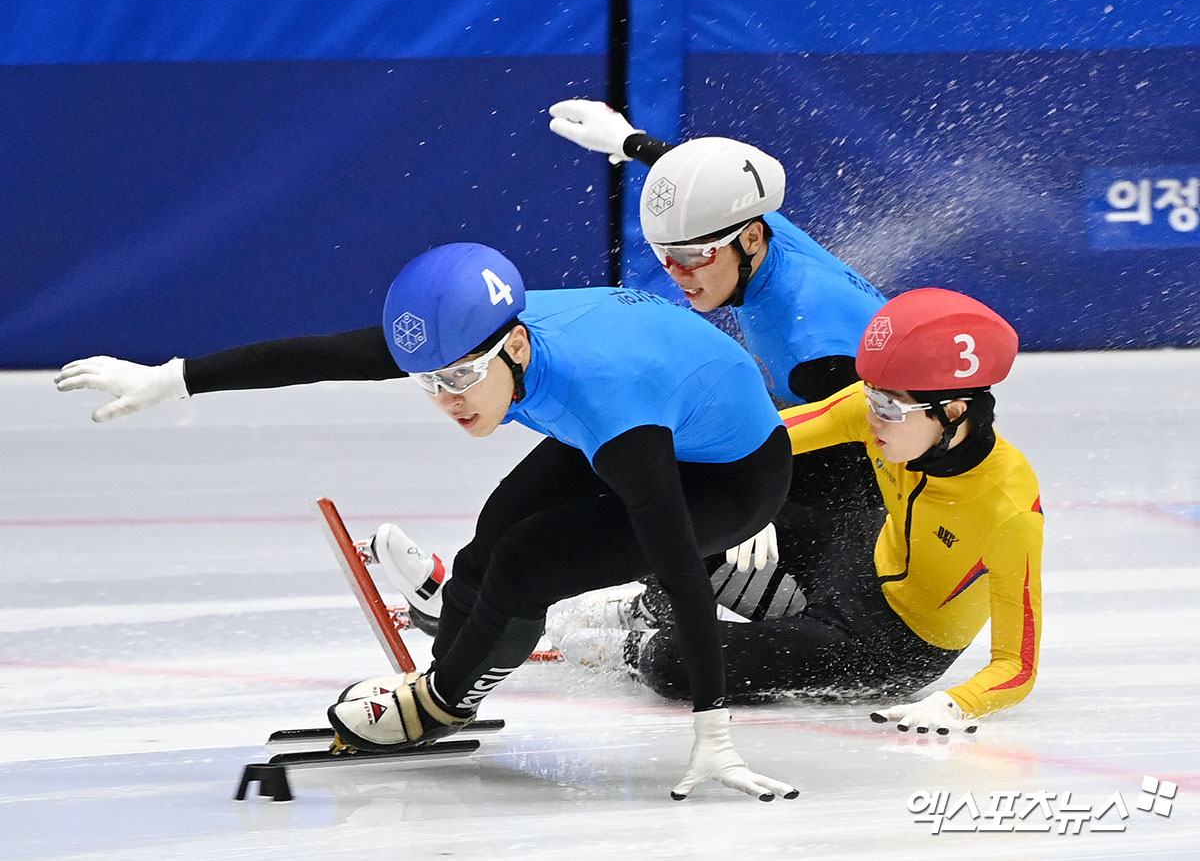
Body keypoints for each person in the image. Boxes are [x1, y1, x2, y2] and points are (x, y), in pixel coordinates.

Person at [55, 242, 799, 801]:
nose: (448, 399)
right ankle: (466, 650)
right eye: (430, 383)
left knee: (528, 560)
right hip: (664, 410)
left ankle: (441, 701)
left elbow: (675, 566)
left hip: (729, 476)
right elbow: (320, 356)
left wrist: (713, 728)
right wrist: (173, 378)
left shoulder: (609, 409)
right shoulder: (469, 333)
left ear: (512, 343)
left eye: (461, 381)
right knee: (495, 534)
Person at [551, 287, 1044, 736]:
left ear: (954, 412)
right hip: (857, 552)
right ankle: (649, 607)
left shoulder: (1008, 511)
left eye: (888, 409)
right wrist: (747, 498)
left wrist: (957, 704)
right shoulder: (881, 408)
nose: (871, 416)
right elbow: (756, 436)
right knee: (707, 519)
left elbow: (1016, 666)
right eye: (869, 396)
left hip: (891, 643)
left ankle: (633, 648)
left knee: (677, 665)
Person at [545, 99, 889, 656]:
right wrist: (630, 141)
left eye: (694, 257)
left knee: (668, 467)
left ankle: (666, 600)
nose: (679, 274)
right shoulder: (759, 235)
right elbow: (714, 194)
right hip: (818, 430)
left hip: (863, 512)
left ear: (749, 241)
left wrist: (759, 508)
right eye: (665, 256)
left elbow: (878, 460)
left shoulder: (813, 343)